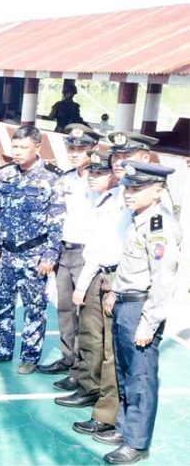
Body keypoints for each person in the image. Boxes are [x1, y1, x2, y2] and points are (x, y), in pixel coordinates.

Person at [94, 161, 181, 465]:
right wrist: (115, 292)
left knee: (141, 377)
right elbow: (129, 265)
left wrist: (149, 322)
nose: (128, 193)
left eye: (136, 188)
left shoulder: (160, 226)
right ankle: (123, 428)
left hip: (141, 307)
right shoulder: (139, 218)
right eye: (127, 188)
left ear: (157, 191)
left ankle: (137, 442)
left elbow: (163, 279)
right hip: (125, 302)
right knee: (124, 372)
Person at [0, 126, 65, 374]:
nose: (17, 152)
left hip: (34, 255)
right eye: (15, 147)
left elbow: (57, 219)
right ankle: (1, 349)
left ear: (37, 148)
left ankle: (30, 355)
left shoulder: (52, 178)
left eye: (23, 147)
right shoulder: (5, 174)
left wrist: (50, 256)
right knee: (2, 304)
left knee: (34, 308)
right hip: (7, 255)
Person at [56, 149, 122, 428]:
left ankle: (106, 413)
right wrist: (84, 284)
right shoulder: (101, 200)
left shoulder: (121, 202)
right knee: (91, 337)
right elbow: (96, 248)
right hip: (95, 271)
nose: (93, 177)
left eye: (99, 173)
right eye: (91, 172)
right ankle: (88, 387)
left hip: (113, 277)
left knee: (109, 350)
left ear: (113, 176)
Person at [38, 124, 102, 385]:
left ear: (93, 149)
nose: (75, 153)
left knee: (85, 315)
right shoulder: (65, 178)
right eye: (71, 148)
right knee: (64, 308)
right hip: (65, 249)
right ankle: (68, 359)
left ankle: (82, 372)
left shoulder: (99, 180)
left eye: (81, 149)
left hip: (87, 253)